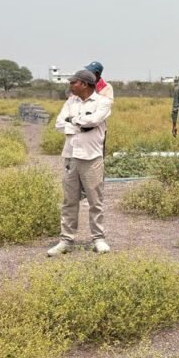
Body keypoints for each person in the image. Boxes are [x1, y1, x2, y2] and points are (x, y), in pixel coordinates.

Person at [48, 69, 113, 256]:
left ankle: (98, 238)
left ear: (84, 84)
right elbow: (59, 124)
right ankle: (66, 240)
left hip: (92, 157)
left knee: (95, 200)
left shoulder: (103, 102)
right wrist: (79, 125)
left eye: (73, 82)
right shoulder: (70, 101)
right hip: (71, 156)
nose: (70, 86)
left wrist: (74, 121)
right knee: (69, 200)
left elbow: (93, 121)